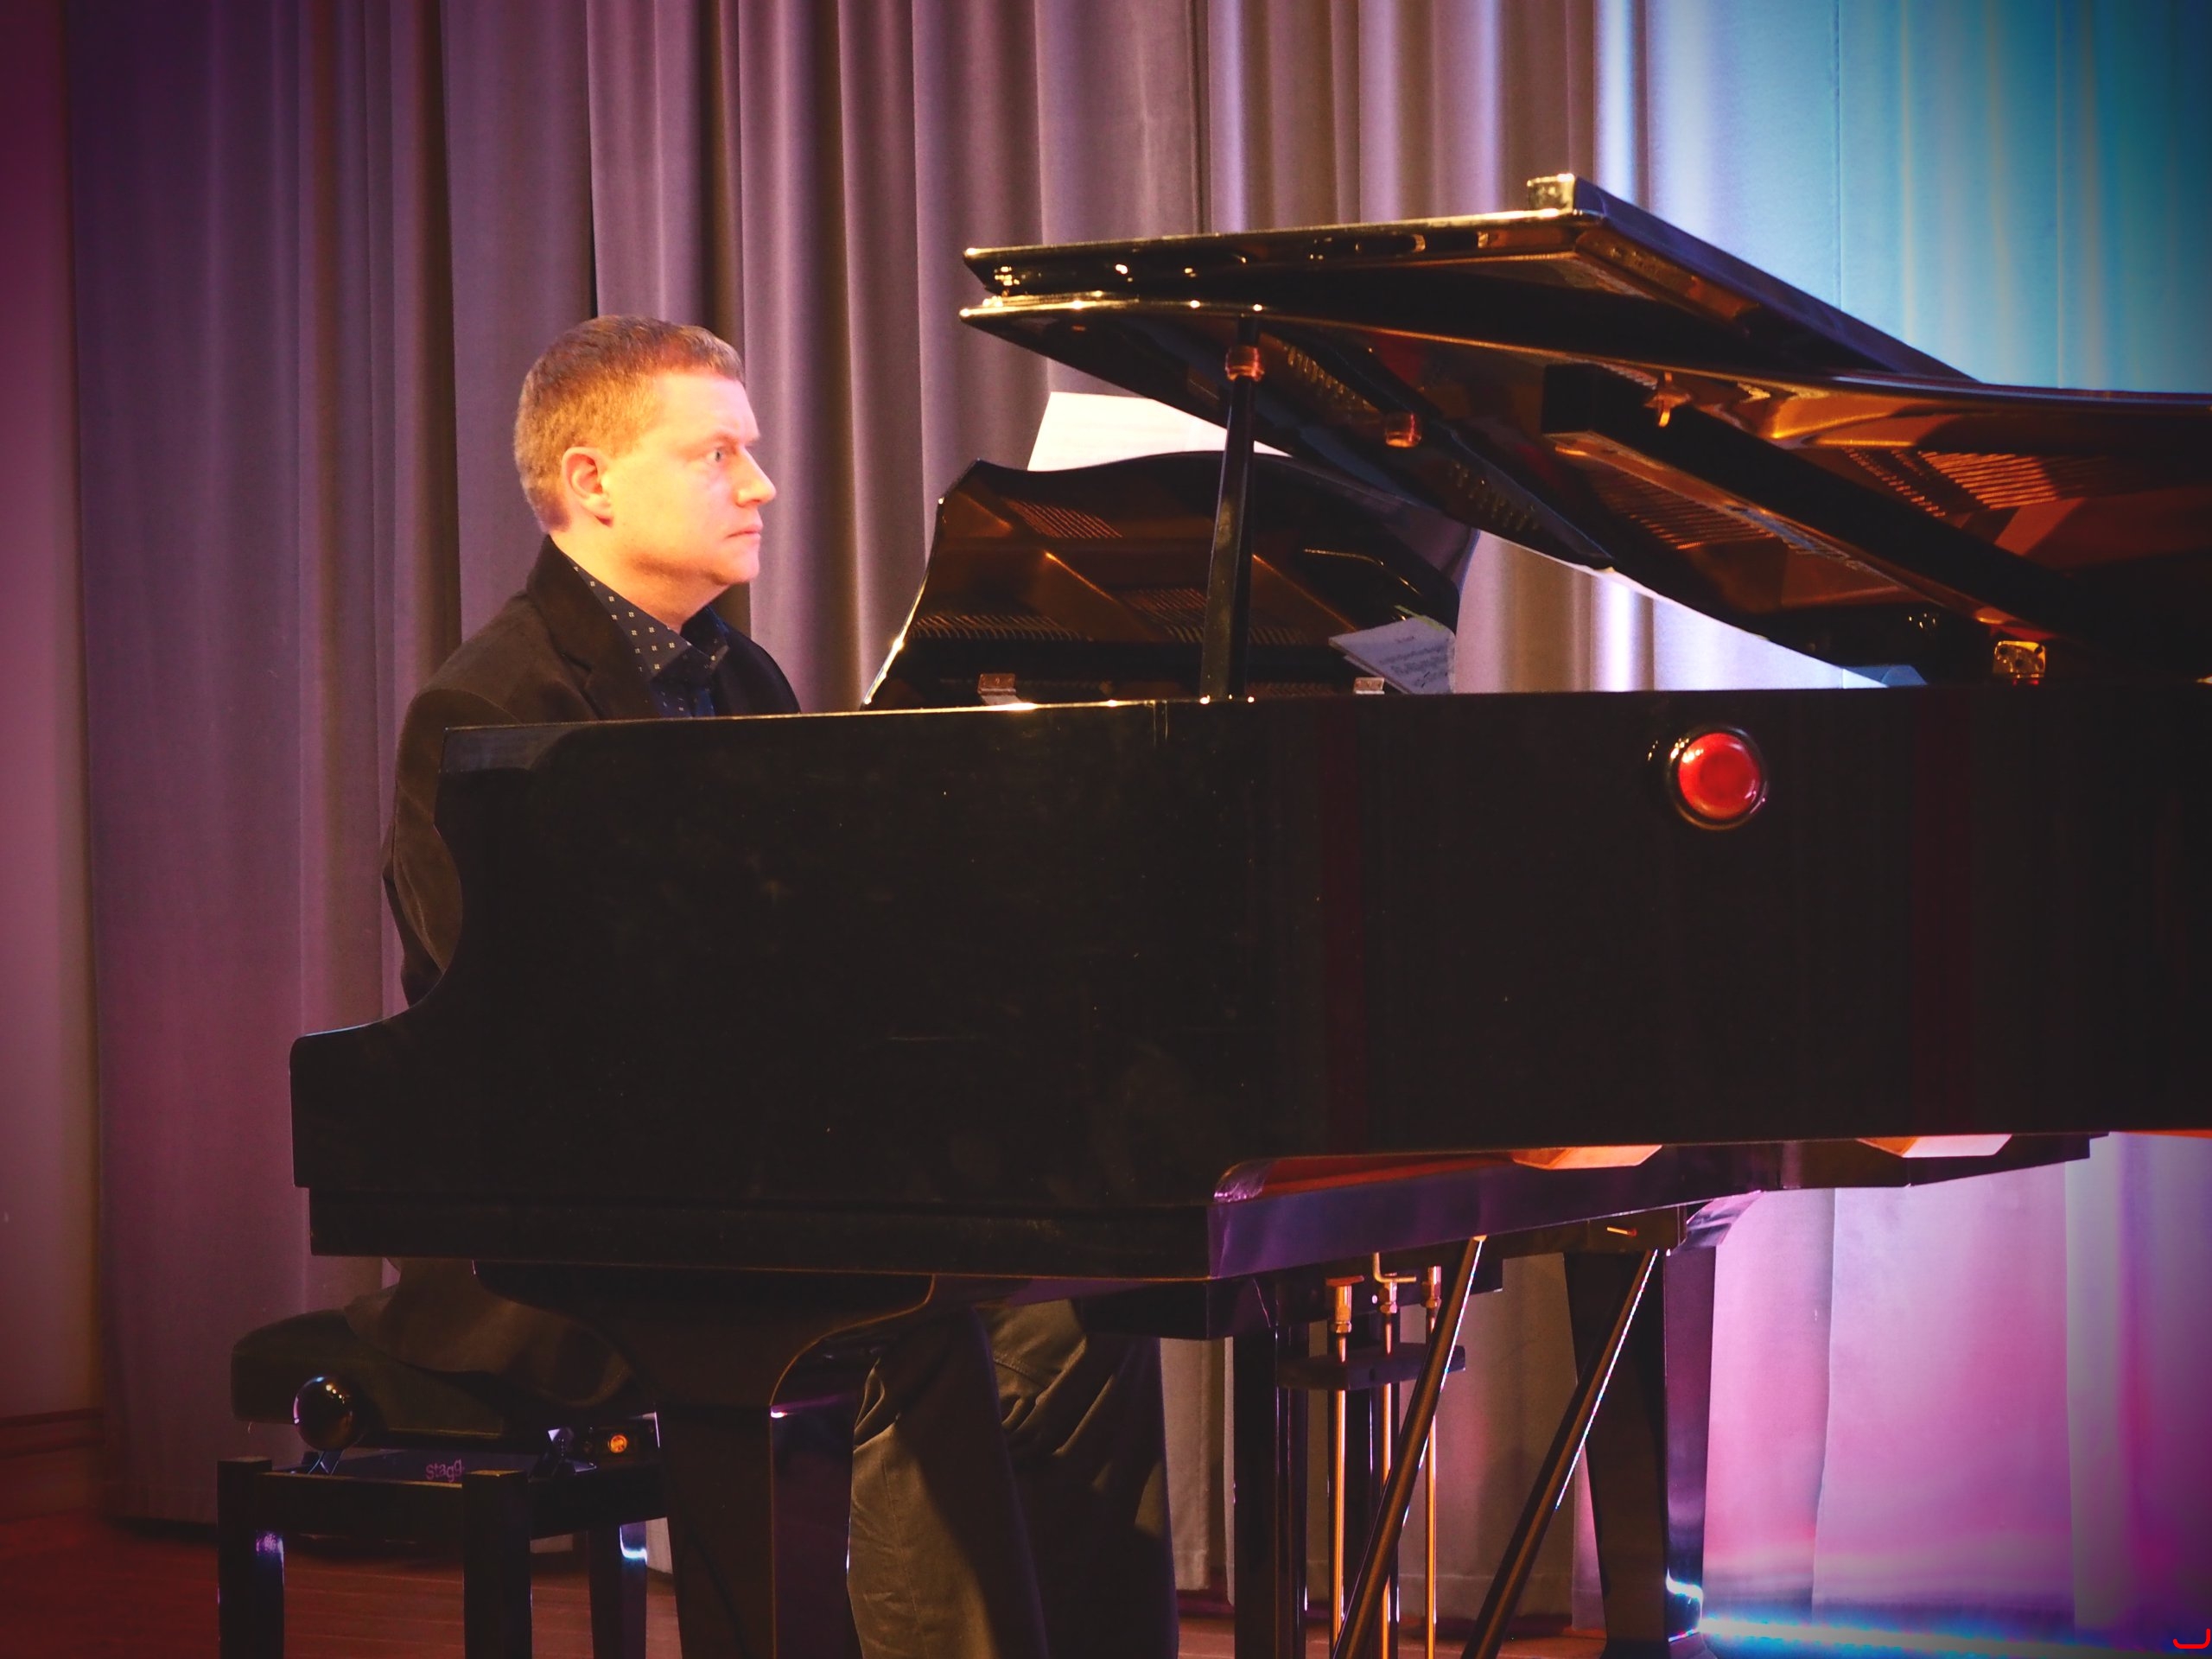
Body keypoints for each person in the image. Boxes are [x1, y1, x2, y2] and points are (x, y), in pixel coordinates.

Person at [348, 315, 1176, 1659]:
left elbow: (812, 957)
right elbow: (537, 1035)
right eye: (718, 453)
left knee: (1084, 1315)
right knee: (906, 1322)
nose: (763, 484)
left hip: (738, 1179)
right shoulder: (488, 705)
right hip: (568, 1225)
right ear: (591, 481)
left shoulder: (743, 676)